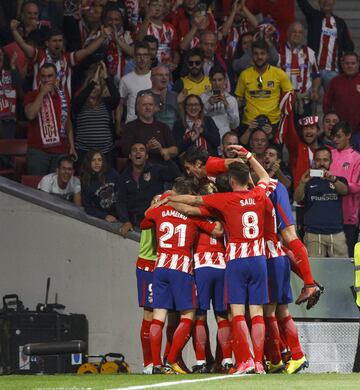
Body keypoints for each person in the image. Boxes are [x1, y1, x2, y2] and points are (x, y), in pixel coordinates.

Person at [167, 148, 270, 374]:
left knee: (237, 313)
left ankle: (245, 361)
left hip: (235, 261)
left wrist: (170, 199)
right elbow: (265, 178)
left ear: (231, 180)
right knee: (257, 313)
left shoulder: (225, 200)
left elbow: (192, 200)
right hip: (259, 259)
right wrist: (250, 157)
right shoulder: (259, 194)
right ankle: (260, 363)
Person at [145, 177, 224, 374]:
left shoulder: (161, 210)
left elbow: (145, 219)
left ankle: (156, 365)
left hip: (161, 267)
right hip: (181, 268)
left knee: (158, 317)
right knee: (188, 316)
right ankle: (171, 360)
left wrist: (162, 201)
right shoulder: (192, 215)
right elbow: (217, 231)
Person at [10, 22, 111, 97]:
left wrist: (102, 37)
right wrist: (14, 30)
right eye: (54, 41)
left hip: (63, 106)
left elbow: (87, 51)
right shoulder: (39, 55)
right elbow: (23, 45)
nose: (58, 44)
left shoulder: (67, 58)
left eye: (60, 41)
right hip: (41, 103)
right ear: (47, 43)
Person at [294, 147, 348, 257]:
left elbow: (345, 190)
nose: (322, 163)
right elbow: (297, 198)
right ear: (314, 162)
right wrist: (302, 183)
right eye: (318, 160)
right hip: (313, 233)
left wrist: (332, 179)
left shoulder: (339, 180)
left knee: (340, 269)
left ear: (331, 162)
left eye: (325, 160)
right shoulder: (308, 181)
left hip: (336, 232)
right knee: (315, 270)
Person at [117, 142, 180, 237]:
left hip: (155, 222)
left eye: (141, 150)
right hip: (134, 224)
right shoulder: (124, 176)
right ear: (130, 156)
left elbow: (175, 175)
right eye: (135, 150)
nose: (138, 152)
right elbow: (120, 201)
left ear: (146, 156)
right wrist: (126, 221)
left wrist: (168, 160)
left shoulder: (156, 170)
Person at [24, 63, 76, 175]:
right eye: (43, 76)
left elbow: (67, 122)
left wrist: (71, 145)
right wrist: (42, 93)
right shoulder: (32, 95)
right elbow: (30, 115)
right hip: (39, 151)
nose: (46, 79)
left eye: (50, 76)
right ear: (39, 77)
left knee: (56, 190)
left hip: (61, 150)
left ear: (56, 77)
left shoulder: (64, 97)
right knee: (35, 189)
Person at [235, 39, 293, 135]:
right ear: (252, 56)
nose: (259, 57)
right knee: (248, 151)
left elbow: (290, 96)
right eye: (256, 54)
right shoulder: (244, 75)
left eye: (262, 53)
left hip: (273, 123)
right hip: (249, 123)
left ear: (268, 55)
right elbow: (238, 98)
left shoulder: (279, 74)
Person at [72, 61, 120, 169]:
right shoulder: (79, 103)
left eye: (97, 85)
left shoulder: (106, 102)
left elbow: (116, 98)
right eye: (91, 84)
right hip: (84, 154)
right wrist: (93, 81)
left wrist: (106, 78)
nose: (94, 87)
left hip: (105, 153)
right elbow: (79, 100)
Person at [297, 0, 354, 89]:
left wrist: (345, 58)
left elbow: (349, 46)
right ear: (319, 3)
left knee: (335, 101)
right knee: (309, 100)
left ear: (334, 2)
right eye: (323, 0)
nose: (326, 1)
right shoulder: (313, 16)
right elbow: (303, 3)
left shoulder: (340, 23)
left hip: (333, 71)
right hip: (313, 69)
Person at [278, 20, 320, 120]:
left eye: (300, 32)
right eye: (294, 31)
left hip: (304, 101)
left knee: (304, 132)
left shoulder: (309, 52)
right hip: (283, 101)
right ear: (288, 33)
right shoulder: (278, 51)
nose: (297, 34)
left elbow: (316, 76)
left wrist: (314, 90)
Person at [330, 122, 360, 257]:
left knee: (348, 260)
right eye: (333, 137)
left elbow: (357, 186)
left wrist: (340, 186)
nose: (335, 140)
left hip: (348, 216)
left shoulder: (356, 158)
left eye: (338, 136)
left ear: (348, 135)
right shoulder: (329, 154)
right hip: (329, 215)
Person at [121, 93, 178, 164]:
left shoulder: (163, 126)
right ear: (138, 108)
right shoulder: (130, 127)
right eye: (144, 105)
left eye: (150, 105)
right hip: (140, 168)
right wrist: (145, 148)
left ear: (154, 107)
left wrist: (162, 150)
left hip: (162, 168)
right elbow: (125, 152)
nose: (148, 107)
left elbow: (175, 150)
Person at [323, 52, 360, 150]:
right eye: (347, 63)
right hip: (339, 132)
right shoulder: (335, 81)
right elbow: (326, 103)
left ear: (358, 64)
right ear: (342, 65)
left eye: (353, 63)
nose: (350, 66)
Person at [117, 41, 152, 128]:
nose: (142, 58)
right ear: (134, 57)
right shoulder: (125, 79)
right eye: (139, 55)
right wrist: (117, 125)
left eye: (145, 55)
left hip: (151, 125)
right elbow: (119, 104)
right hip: (131, 126)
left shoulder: (155, 78)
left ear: (149, 57)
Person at [136, 0, 179, 68]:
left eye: (160, 6)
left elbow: (175, 51)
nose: (157, 8)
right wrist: (147, 17)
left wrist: (174, 64)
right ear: (149, 7)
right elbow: (139, 40)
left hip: (166, 71)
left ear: (164, 9)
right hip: (147, 68)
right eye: (154, 5)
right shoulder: (142, 26)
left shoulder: (170, 28)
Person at [80, 149, 121, 222]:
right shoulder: (86, 182)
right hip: (105, 218)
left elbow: (124, 191)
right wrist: (104, 216)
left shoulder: (112, 173)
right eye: (93, 160)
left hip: (122, 213)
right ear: (88, 162)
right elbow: (88, 207)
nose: (97, 163)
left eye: (99, 160)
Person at [200, 66, 239, 139]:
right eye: (214, 80)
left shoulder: (231, 100)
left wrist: (227, 106)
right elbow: (198, 119)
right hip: (207, 137)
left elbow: (235, 125)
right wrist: (208, 104)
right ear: (210, 81)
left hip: (225, 139)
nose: (217, 83)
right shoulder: (203, 97)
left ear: (225, 80)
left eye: (220, 80)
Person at [136, 64, 180, 130]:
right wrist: (161, 103)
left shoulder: (175, 95)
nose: (164, 78)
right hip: (150, 136)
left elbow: (180, 119)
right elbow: (141, 117)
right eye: (160, 75)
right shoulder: (143, 94)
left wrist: (181, 104)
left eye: (166, 75)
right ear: (151, 78)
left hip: (172, 137)